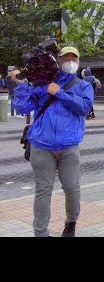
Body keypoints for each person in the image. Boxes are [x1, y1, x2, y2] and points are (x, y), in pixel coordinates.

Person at [11, 46, 94, 237]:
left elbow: (84, 108)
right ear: (58, 60)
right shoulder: (43, 84)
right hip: (42, 146)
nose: (70, 62)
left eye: (74, 58)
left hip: (69, 146)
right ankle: (40, 233)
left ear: (79, 62)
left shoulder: (83, 86)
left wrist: (59, 93)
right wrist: (23, 84)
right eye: (66, 58)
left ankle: (71, 222)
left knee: (72, 187)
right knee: (43, 190)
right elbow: (22, 107)